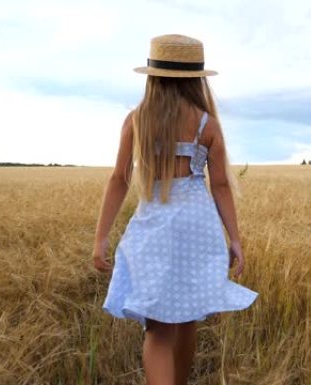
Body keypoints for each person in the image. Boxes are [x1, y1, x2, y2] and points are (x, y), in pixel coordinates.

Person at [92, 34, 258, 385]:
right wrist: (236, 239)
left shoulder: (136, 120)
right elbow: (222, 185)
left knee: (159, 329)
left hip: (154, 224)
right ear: (197, 80)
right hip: (198, 226)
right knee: (187, 317)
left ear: (152, 76)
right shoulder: (206, 124)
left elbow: (119, 180)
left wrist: (102, 237)